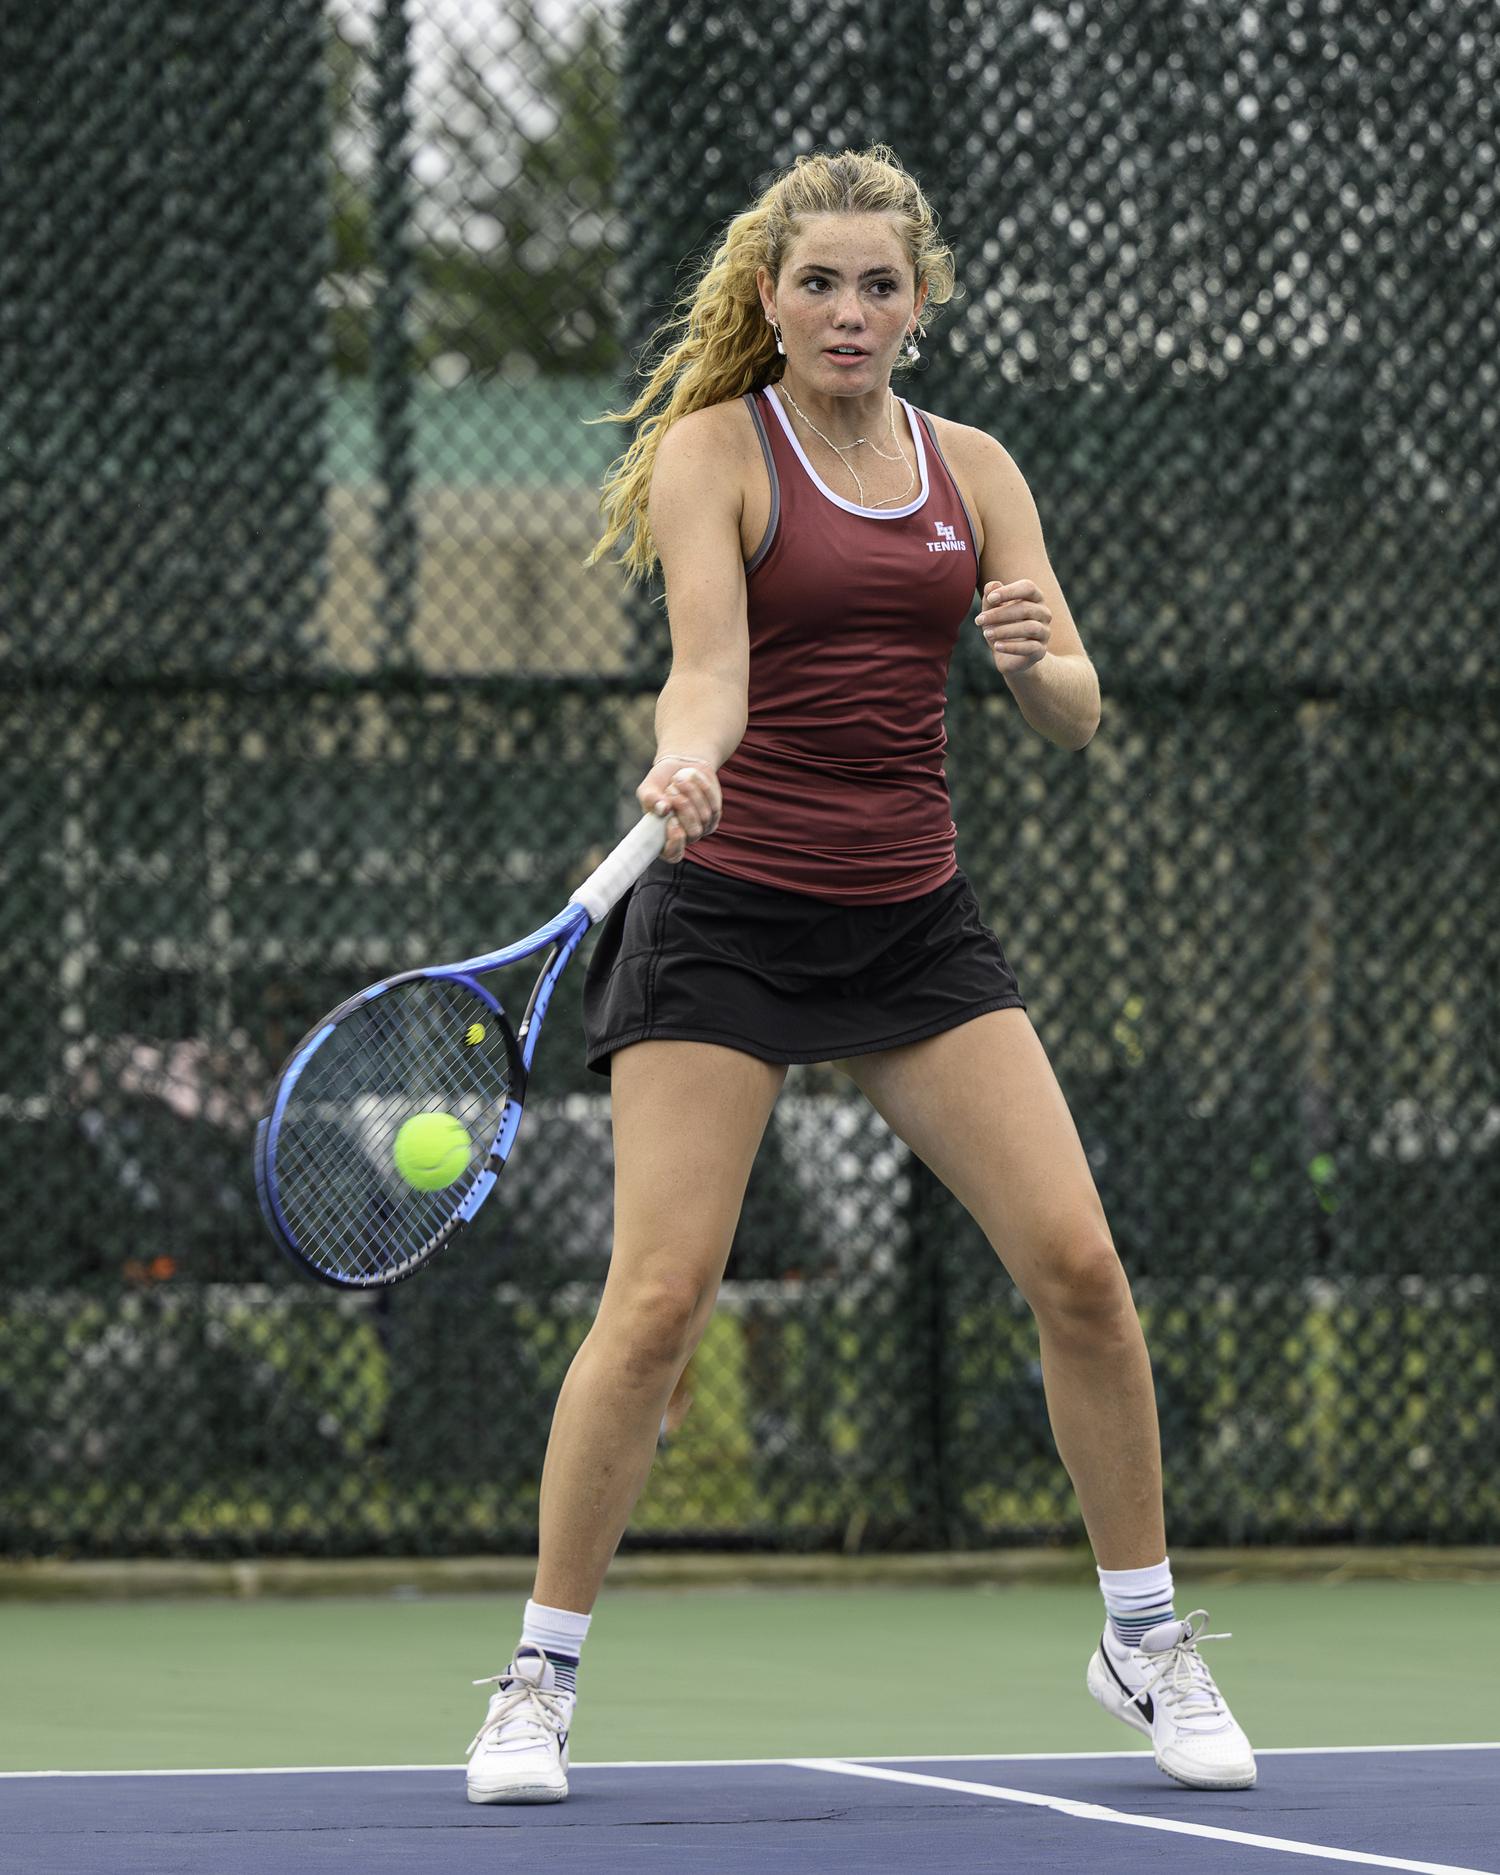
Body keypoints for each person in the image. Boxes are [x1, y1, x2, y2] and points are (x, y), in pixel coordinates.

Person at [464, 146, 1255, 1804]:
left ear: (918, 302)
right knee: (661, 1307)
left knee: (1084, 1269)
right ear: (772, 296)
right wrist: (687, 762)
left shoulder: (974, 467)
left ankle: (1147, 1641)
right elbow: (709, 676)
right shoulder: (712, 452)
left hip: (913, 924)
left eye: (878, 285)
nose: (847, 310)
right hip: (727, 918)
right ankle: (535, 1678)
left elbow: (1074, 703)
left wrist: (1042, 663)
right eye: (817, 283)